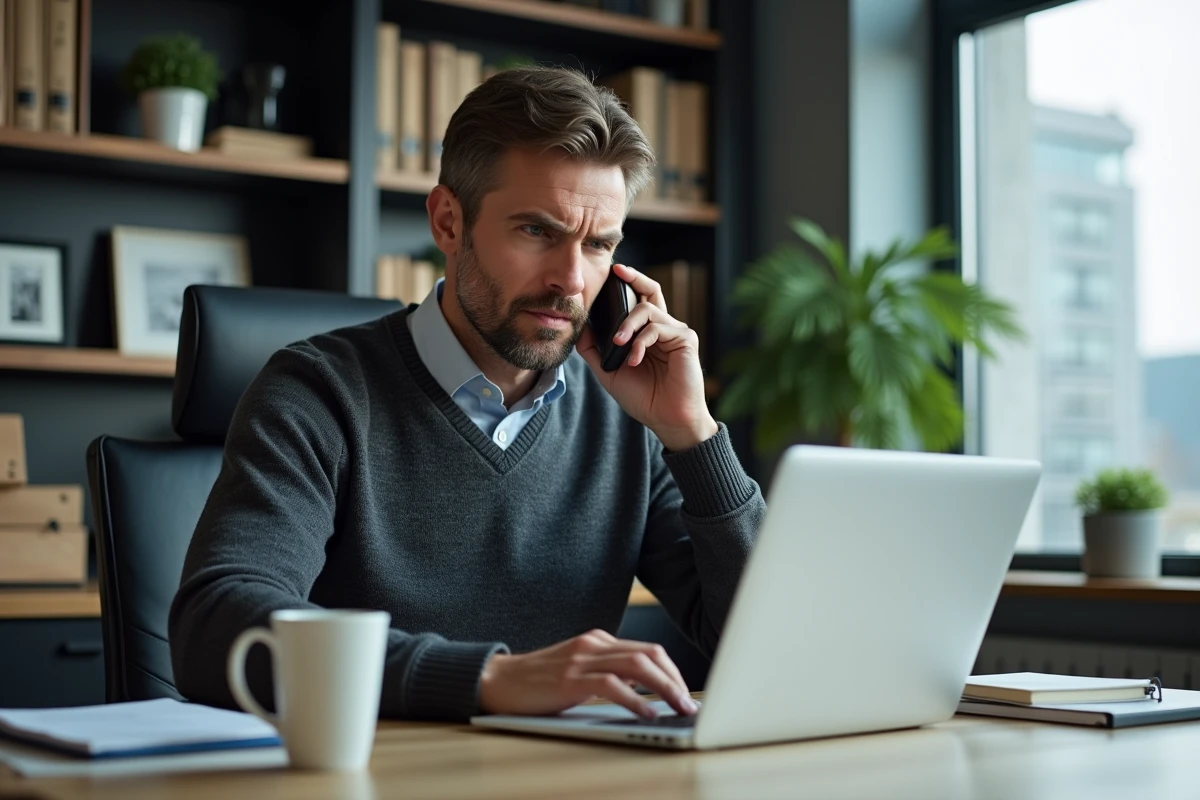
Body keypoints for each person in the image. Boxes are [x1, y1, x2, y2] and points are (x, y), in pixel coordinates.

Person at [168, 66, 766, 723]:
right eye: (537, 231)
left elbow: (766, 642)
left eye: (598, 245)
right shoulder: (318, 392)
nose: (571, 281)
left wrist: (694, 435)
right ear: (448, 222)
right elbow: (215, 625)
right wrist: (486, 678)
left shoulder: (627, 418)